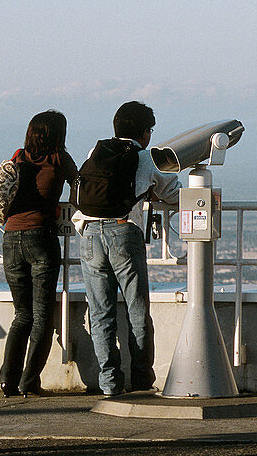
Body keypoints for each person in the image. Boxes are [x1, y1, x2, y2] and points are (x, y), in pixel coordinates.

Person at [72, 101, 180, 396]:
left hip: (89, 233)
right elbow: (170, 192)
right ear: (145, 133)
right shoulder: (144, 157)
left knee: (100, 312)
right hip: (123, 232)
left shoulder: (96, 151)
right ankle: (142, 379)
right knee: (137, 310)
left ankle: (109, 384)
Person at [0, 110, 79, 397]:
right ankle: (29, 382)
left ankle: (8, 380)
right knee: (42, 316)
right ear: (59, 134)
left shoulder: (18, 156)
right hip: (40, 237)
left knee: (21, 315)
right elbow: (78, 187)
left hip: (10, 238)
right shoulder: (60, 160)